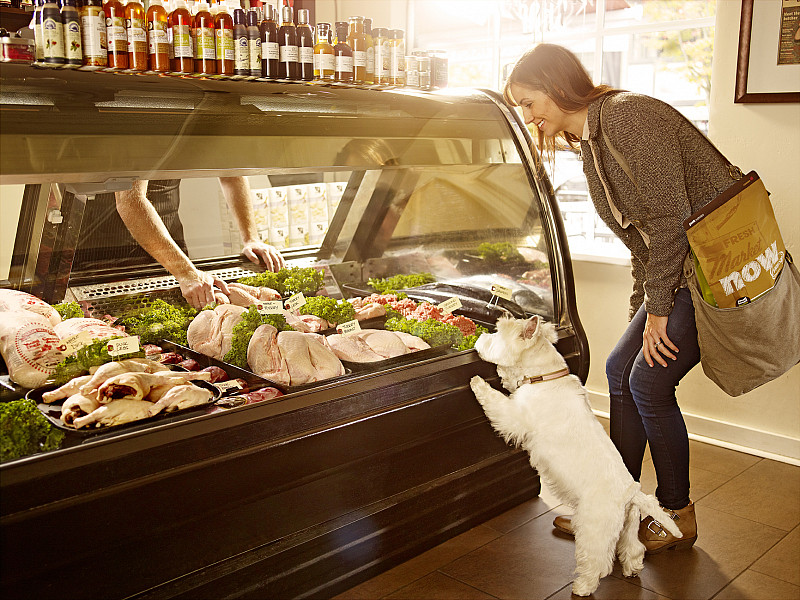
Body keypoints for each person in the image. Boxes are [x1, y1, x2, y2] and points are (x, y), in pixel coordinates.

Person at [503, 44, 736, 553]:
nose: (528, 116)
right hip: (678, 274)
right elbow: (640, 242)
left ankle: (677, 513)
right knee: (618, 368)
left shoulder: (628, 118)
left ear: (556, 85)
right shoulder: (592, 143)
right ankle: (616, 503)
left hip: (710, 274)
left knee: (647, 383)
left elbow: (670, 221)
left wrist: (655, 312)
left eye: (528, 101)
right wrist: (643, 311)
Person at [72, 177, 284, 309]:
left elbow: (231, 172)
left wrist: (251, 237)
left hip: (170, 238)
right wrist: (186, 272)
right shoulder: (146, 113)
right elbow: (130, 202)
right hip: (106, 249)